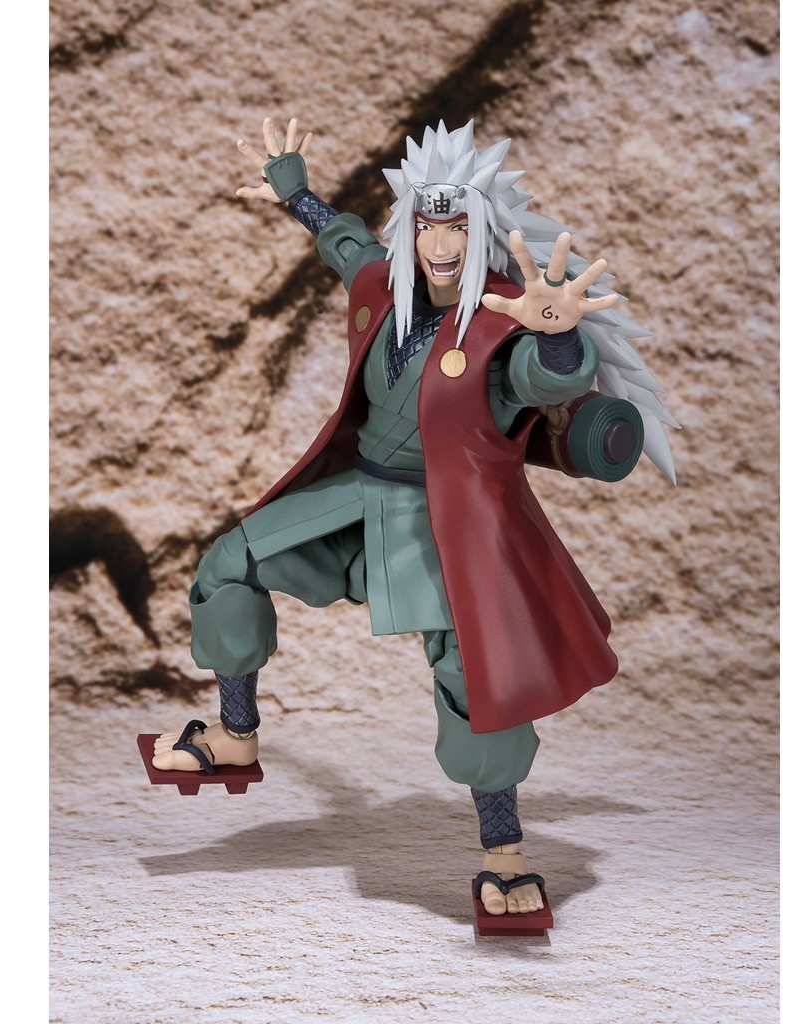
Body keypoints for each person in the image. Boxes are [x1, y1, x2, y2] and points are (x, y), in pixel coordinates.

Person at [152, 117, 676, 917]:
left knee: (475, 678)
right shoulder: (383, 289)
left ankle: (505, 855)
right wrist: (297, 193)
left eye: (456, 225)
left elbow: (544, 379)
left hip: (447, 524)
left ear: (480, 233)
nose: (440, 242)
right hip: (358, 497)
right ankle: (233, 733)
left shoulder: (501, 329)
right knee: (229, 564)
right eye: (428, 225)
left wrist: (560, 336)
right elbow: (346, 245)